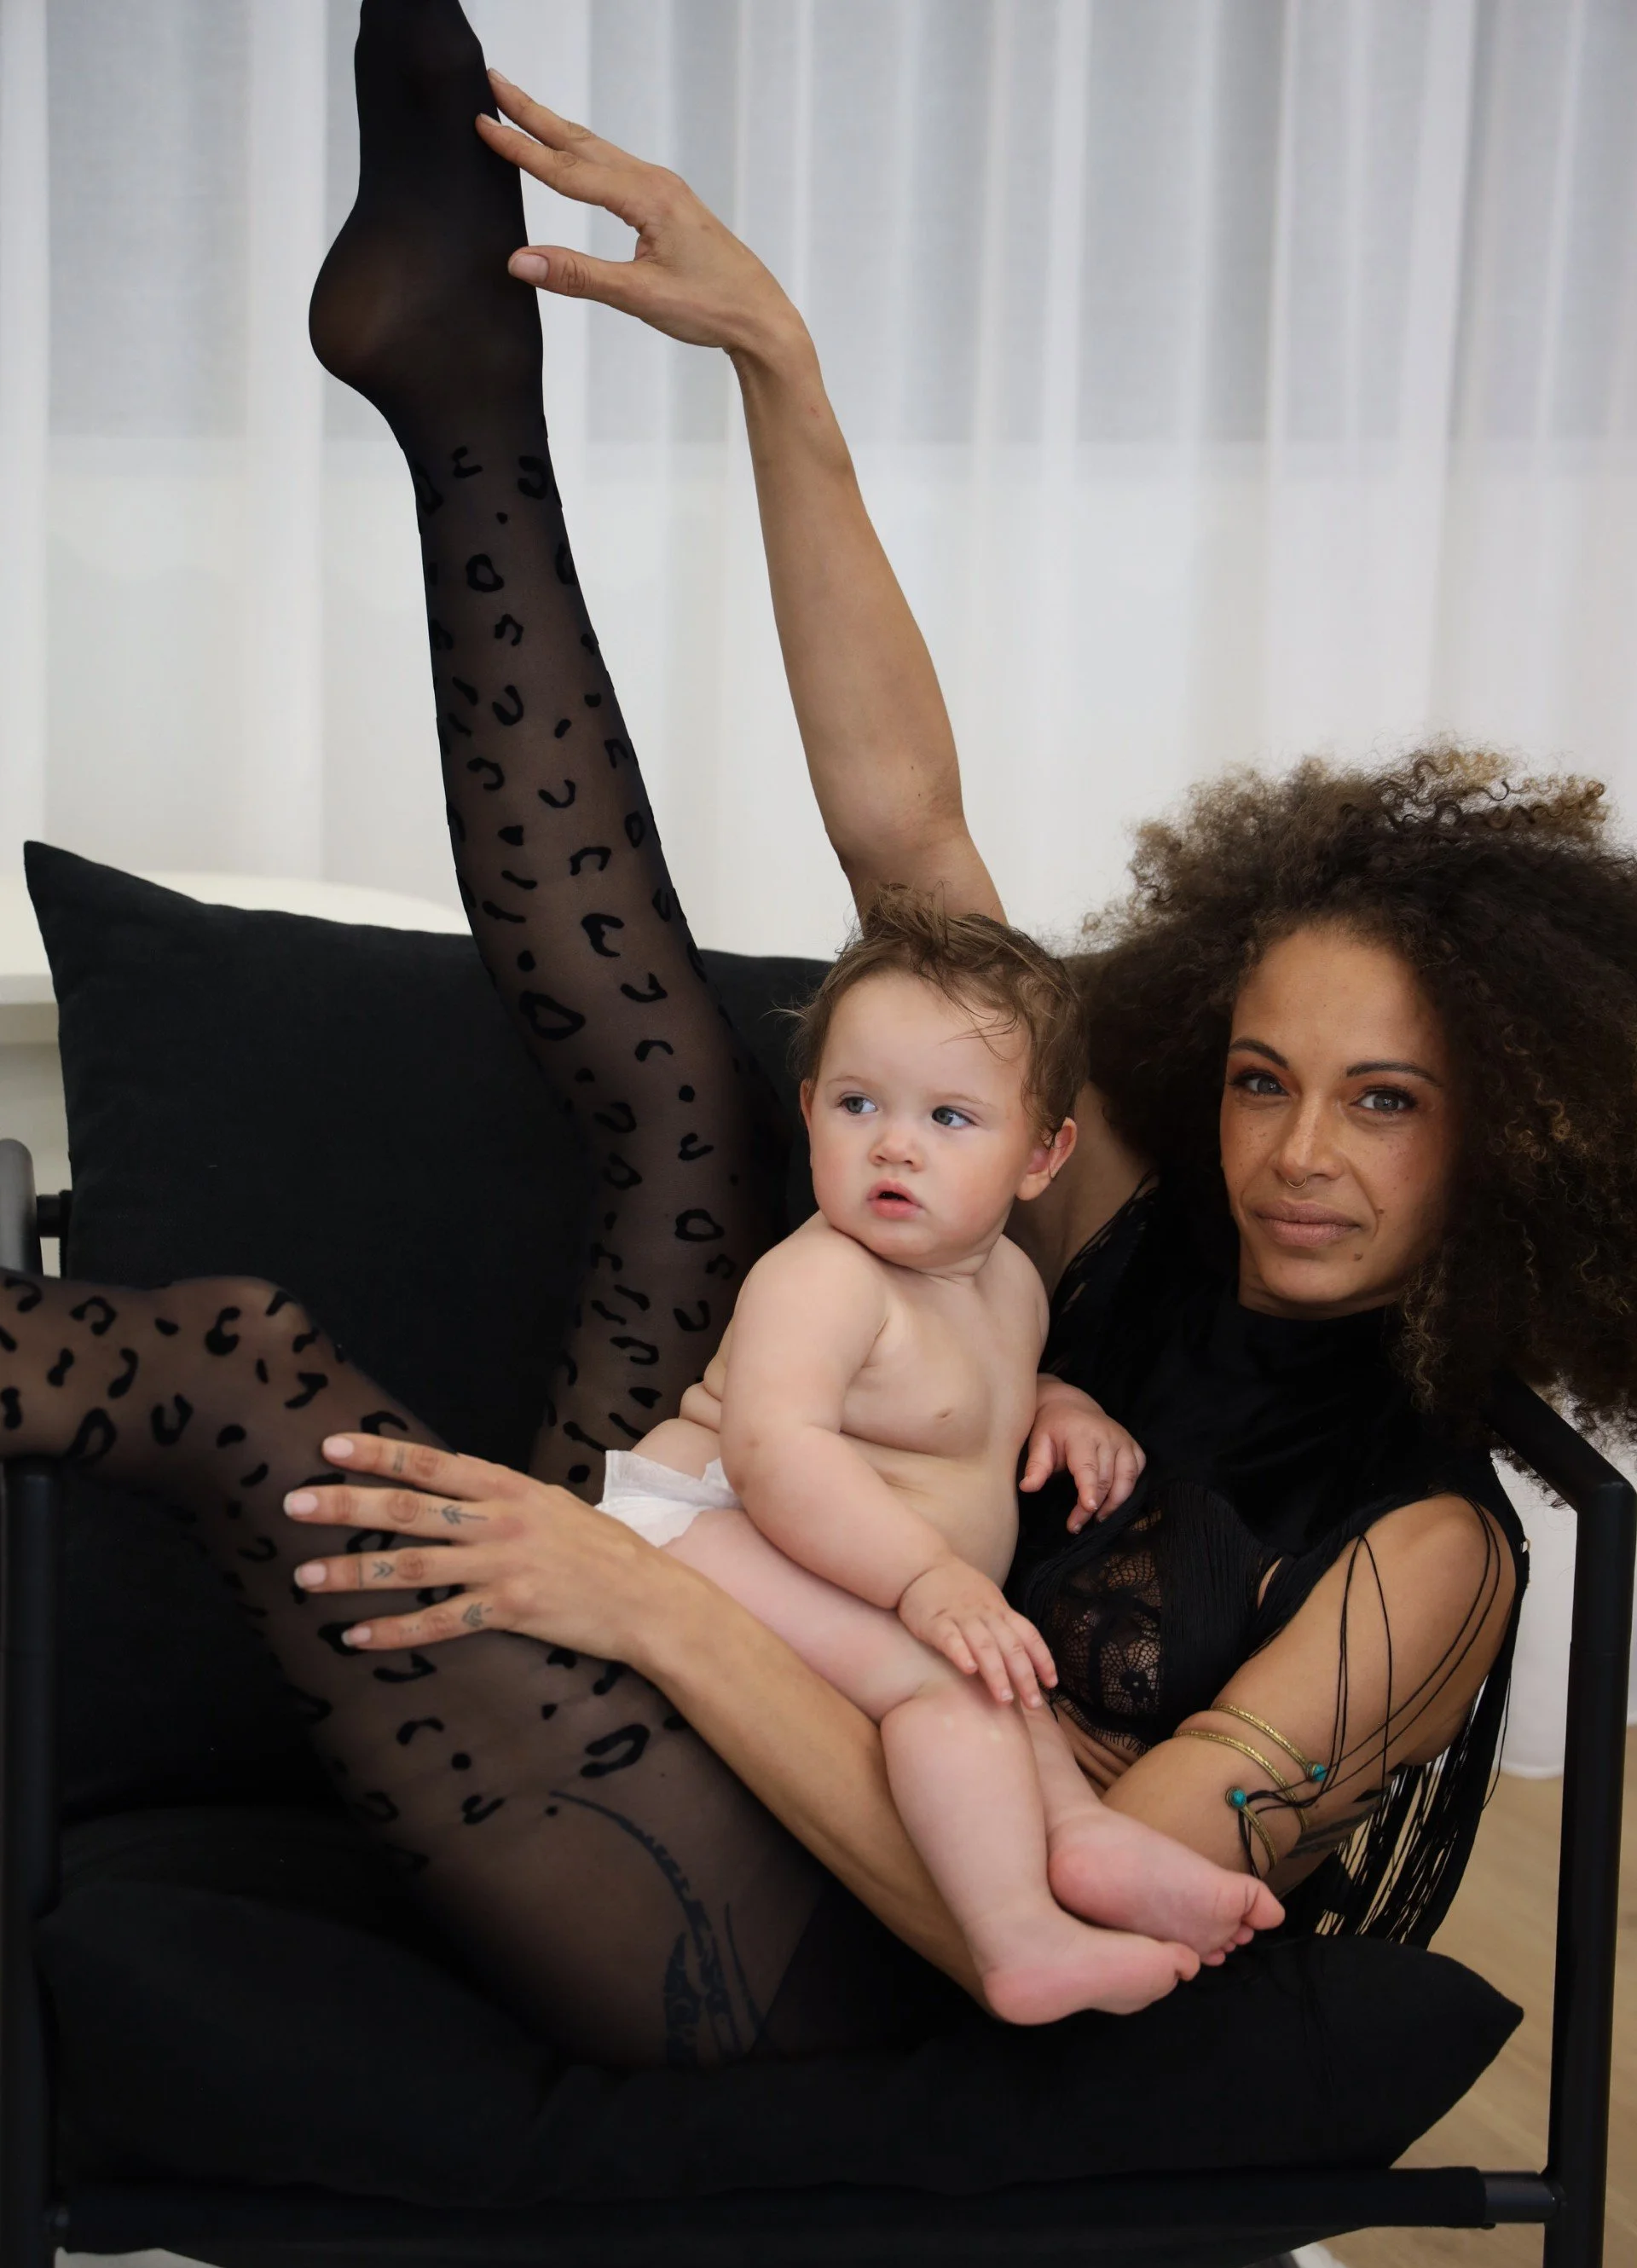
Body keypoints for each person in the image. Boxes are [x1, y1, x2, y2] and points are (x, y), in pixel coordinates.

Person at [9, 2, 1635, 2080]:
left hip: (826, 1946)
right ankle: (466, 400)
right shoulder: (1129, 1231)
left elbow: (1036, 1917)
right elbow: (911, 843)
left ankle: (462, 400)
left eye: (1387, 1104)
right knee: (698, 1096)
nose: (1298, 1151)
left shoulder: (1430, 1559)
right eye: (1262, 1075)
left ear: (1518, 1146)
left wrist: (646, 1597)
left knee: (226, 1364)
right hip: (706, 1649)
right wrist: (777, 356)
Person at [599, 893, 1281, 2022]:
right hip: (701, 1528)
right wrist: (927, 1580)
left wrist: (1056, 1404)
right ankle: (1018, 1943)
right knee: (947, 1683)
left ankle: (1080, 1842)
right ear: (811, 1111)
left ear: (1042, 1154)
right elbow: (776, 1451)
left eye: (951, 1119)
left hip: (840, 1564)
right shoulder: (824, 1277)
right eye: (859, 1104)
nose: (895, 1144)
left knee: (1010, 1685)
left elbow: (962, 1404)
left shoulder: (1006, 1285)